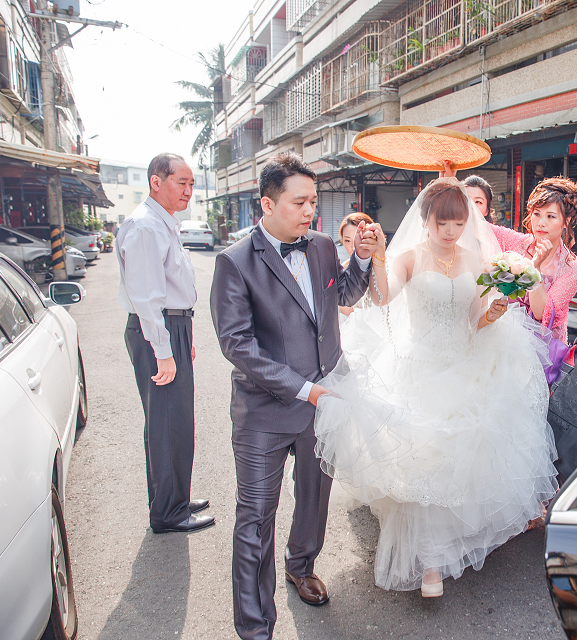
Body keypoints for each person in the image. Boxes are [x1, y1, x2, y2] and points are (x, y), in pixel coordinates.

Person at [312, 178, 558, 598]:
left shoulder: (476, 259)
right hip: (420, 366)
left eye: (458, 222)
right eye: (443, 222)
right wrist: (381, 259)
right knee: (423, 460)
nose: (450, 230)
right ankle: (430, 563)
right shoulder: (410, 256)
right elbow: (384, 298)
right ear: (425, 220)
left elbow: (475, 318)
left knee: (460, 463)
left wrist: (494, 311)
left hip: (466, 363)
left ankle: (445, 551)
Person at [210, 152, 376, 640]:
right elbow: (236, 345)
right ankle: (256, 627)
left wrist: (361, 258)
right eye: (299, 202)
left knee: (314, 498)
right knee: (254, 520)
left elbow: (343, 296)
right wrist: (306, 391)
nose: (310, 211)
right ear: (267, 203)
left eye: (314, 201)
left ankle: (301, 566)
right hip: (265, 411)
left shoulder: (323, 246)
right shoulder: (234, 262)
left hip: (324, 403)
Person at [116, 152, 213, 535]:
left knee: (171, 420)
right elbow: (147, 298)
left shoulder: (163, 223)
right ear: (156, 182)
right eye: (181, 182)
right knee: (168, 422)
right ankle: (168, 512)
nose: (189, 190)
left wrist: (181, 338)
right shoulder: (145, 227)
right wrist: (163, 349)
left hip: (172, 328)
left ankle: (172, 497)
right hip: (156, 328)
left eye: (192, 184)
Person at [488, 178, 577, 344]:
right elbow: (479, 227)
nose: (541, 223)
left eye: (551, 216)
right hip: (505, 340)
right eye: (536, 214)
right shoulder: (516, 242)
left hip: (544, 348)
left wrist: (535, 267)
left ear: (566, 221)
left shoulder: (572, 267)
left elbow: (541, 313)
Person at [338, 212, 374, 316]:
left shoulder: (385, 264)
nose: (353, 246)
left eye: (358, 238)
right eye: (347, 240)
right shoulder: (342, 270)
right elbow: (347, 312)